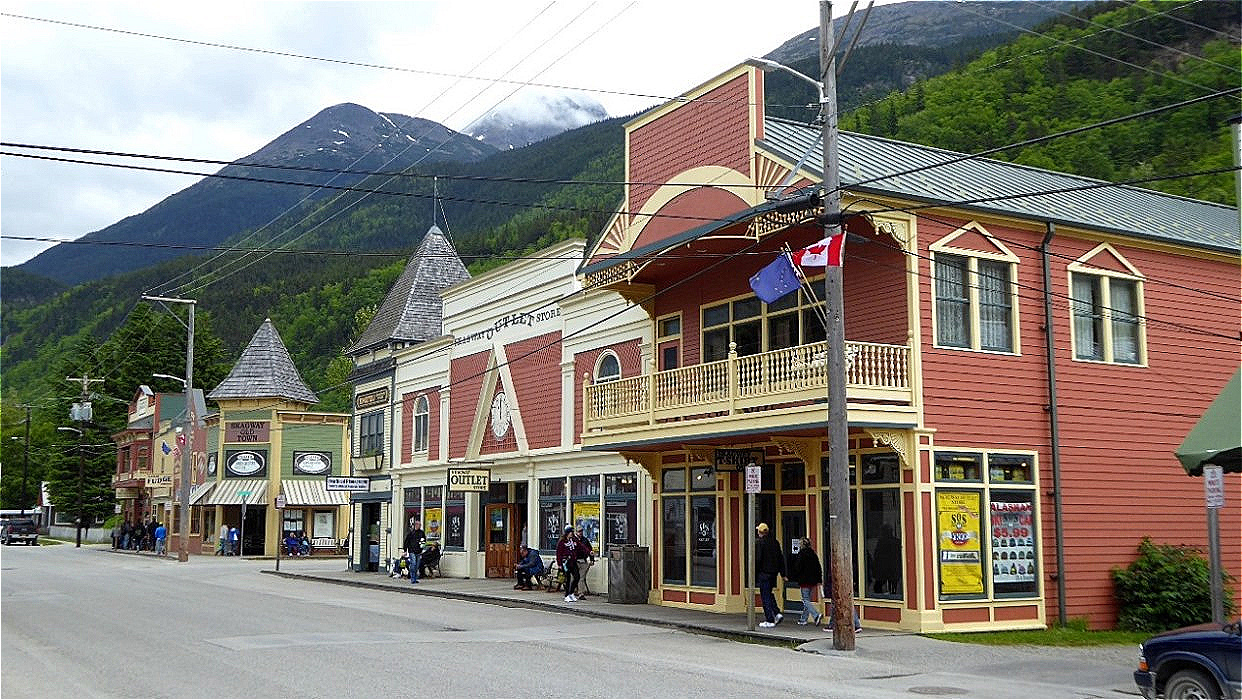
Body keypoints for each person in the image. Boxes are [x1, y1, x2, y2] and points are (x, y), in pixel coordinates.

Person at [755, 522, 785, 628]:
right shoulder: (775, 542)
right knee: (769, 593)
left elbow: (758, 559)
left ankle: (770, 619)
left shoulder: (760, 543)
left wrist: (756, 572)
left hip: (764, 573)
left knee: (765, 596)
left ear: (760, 532)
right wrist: (783, 573)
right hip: (773, 573)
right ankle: (776, 613)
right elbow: (781, 558)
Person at [791, 537, 824, 626]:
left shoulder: (801, 554)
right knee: (807, 600)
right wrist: (819, 579)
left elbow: (798, 567)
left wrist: (795, 576)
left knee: (805, 600)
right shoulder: (813, 554)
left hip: (804, 580)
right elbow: (818, 567)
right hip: (812, 580)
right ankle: (803, 619)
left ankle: (816, 614)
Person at [822, 565, 862, 634]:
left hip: (838, 585)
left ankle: (832, 625)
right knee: (846, 604)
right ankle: (856, 625)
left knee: (835, 605)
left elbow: (832, 575)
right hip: (844, 584)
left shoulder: (836, 565)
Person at [555, 526, 580, 602]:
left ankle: (571, 592)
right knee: (567, 579)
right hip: (565, 562)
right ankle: (567, 595)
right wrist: (559, 564)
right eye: (570, 532)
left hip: (573, 561)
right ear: (567, 533)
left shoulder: (574, 540)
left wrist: (589, 552)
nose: (572, 534)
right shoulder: (562, 542)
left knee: (577, 577)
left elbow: (581, 546)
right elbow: (558, 553)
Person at [574, 526, 595, 597]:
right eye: (579, 531)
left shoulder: (585, 540)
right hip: (574, 561)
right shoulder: (572, 540)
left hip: (583, 561)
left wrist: (592, 559)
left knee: (581, 577)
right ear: (576, 532)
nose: (580, 533)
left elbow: (590, 550)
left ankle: (581, 593)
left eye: (581, 531)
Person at [403, 519, 426, 584]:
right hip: (412, 551)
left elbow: (423, 541)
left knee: (417, 566)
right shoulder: (411, 533)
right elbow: (406, 542)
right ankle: (412, 578)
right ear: (415, 525)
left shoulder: (421, 533)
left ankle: (415, 578)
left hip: (418, 551)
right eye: (418, 525)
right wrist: (405, 550)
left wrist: (422, 549)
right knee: (413, 564)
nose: (418, 526)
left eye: (419, 525)